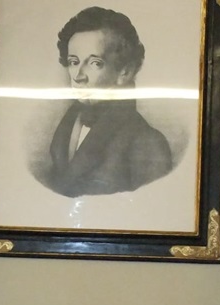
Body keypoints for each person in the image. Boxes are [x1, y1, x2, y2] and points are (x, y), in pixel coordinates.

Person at [41, 6, 172, 197]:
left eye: (95, 63)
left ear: (124, 72)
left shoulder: (148, 143)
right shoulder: (65, 130)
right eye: (74, 62)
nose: (78, 76)